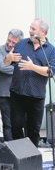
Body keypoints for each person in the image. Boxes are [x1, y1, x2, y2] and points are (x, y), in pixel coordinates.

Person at [4, 18, 55, 147]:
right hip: (17, 93)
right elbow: (7, 62)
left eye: (33, 29)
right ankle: (20, 155)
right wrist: (7, 58)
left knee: (33, 130)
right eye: (30, 28)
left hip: (36, 96)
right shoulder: (21, 44)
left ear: (42, 31)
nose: (30, 31)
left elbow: (51, 72)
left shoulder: (50, 50)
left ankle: (32, 158)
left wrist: (33, 67)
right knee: (15, 126)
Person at [0, 29, 24, 141]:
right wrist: (20, 68)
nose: (10, 44)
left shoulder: (22, 51)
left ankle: (21, 151)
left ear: (19, 43)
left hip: (19, 92)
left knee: (20, 123)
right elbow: (2, 67)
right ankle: (9, 153)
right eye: (9, 40)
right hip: (4, 93)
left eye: (13, 43)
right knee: (8, 124)